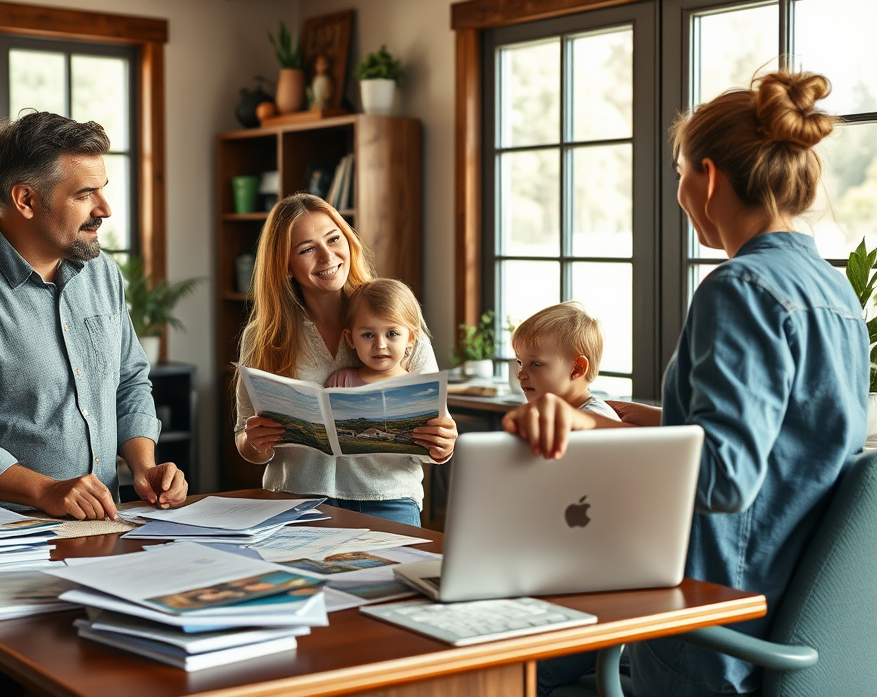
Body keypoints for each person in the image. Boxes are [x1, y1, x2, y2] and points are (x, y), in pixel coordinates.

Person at [504, 70, 869, 697]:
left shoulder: (740, 289)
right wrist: (636, 414)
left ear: (708, 176)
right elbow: (783, 442)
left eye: (677, 173)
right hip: (787, 615)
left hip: (714, 621)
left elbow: (724, 478)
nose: (678, 190)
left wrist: (585, 422)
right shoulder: (832, 289)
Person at [0, 111, 188, 520]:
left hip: (101, 530)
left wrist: (144, 465)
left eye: (102, 190)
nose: (105, 208)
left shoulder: (102, 272)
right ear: (26, 200)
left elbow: (128, 381)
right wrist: (46, 491)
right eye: (85, 194)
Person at [234, 193, 457, 527]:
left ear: (348, 241)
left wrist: (444, 444)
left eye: (333, 239)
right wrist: (255, 442)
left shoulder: (396, 322)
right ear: (285, 266)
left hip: (389, 500)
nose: (327, 256)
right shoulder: (264, 336)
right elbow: (245, 439)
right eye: (307, 249)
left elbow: (436, 434)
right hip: (294, 502)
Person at [510, 302, 620, 421]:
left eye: (535, 364)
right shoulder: (551, 413)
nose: (520, 375)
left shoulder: (594, 421)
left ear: (577, 368)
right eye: (520, 363)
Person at [326, 278, 427, 386]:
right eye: (369, 335)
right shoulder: (341, 381)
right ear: (350, 339)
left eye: (392, 334)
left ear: (411, 338)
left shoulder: (419, 386)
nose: (380, 345)